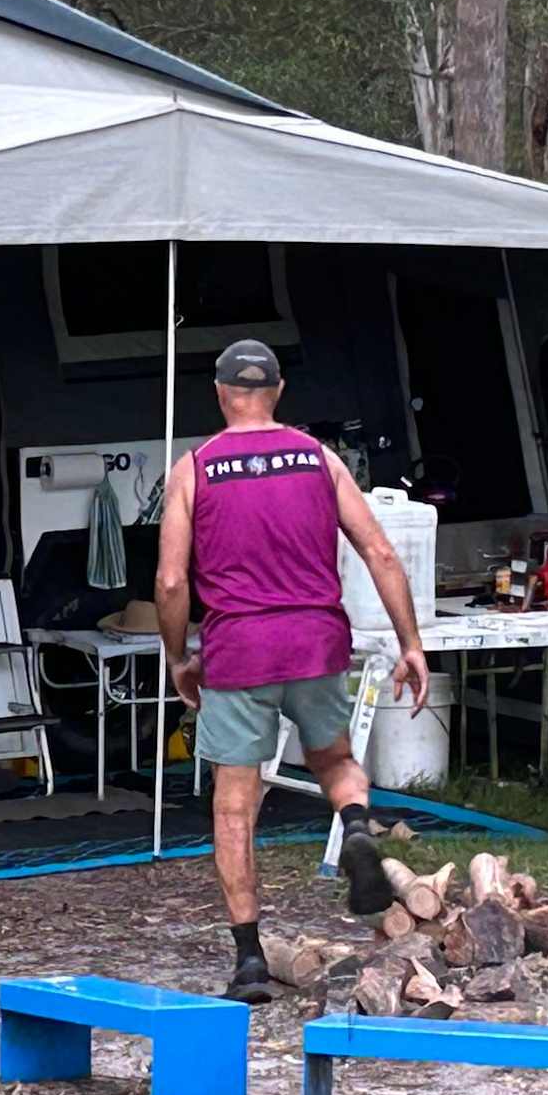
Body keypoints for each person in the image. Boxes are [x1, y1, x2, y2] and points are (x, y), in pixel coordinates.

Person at [155, 340, 429, 998]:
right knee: (334, 761)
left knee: (235, 803)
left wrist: (177, 655)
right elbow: (382, 554)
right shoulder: (320, 459)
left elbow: (170, 581)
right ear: (278, 392)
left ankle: (250, 958)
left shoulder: (195, 469)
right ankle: (357, 829)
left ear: (221, 395)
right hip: (314, 642)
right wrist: (411, 643)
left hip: (239, 650)